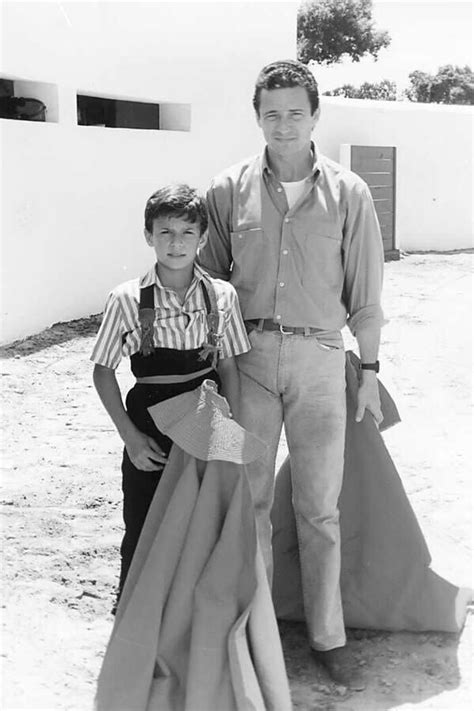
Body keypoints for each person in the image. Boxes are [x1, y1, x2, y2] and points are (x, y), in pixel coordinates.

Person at [199, 59, 384, 690]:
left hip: (321, 364)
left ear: (315, 117)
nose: (283, 125)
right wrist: (209, 379)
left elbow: (366, 292)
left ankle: (327, 634)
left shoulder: (351, 192)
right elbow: (209, 285)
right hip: (245, 363)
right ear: (257, 116)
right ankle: (256, 635)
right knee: (247, 503)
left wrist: (371, 368)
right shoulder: (226, 189)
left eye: (295, 113)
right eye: (271, 113)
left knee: (319, 505)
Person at [90, 184, 250, 605]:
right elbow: (103, 372)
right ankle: (135, 612)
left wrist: (230, 432)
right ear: (149, 236)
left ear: (203, 238)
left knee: (201, 519)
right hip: (149, 423)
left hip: (205, 417)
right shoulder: (126, 299)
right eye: (165, 232)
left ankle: (191, 616)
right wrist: (130, 438)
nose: (176, 243)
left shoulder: (221, 295)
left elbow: (229, 364)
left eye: (186, 233)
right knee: (144, 518)